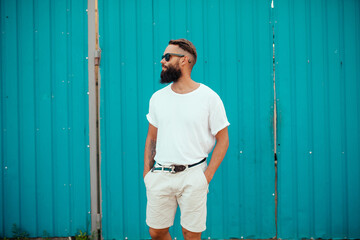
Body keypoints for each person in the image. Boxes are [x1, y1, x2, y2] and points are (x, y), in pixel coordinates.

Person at [143, 39, 230, 240]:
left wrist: (205, 177)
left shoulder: (209, 98)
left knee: (191, 235)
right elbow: (152, 137)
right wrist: (148, 174)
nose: (162, 61)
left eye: (167, 57)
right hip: (161, 174)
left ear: (184, 61)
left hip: (193, 175)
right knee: (156, 232)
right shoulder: (158, 98)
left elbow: (223, 140)